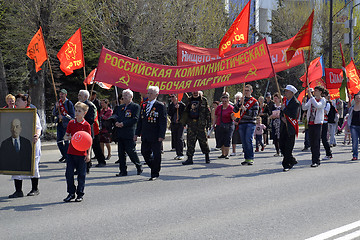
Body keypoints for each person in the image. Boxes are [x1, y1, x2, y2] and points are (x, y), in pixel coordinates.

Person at [5, 94, 42, 198]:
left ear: (25, 102)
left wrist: (37, 135)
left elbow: (38, 127)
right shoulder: (14, 113)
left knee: (32, 165)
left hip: (31, 142)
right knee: (16, 165)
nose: (16, 102)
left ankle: (35, 188)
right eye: (16, 100)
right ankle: (18, 191)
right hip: (17, 142)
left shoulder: (32, 113)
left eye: (18, 101)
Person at [135, 86, 167, 181]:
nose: (148, 95)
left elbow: (163, 122)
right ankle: (154, 166)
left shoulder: (160, 106)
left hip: (156, 134)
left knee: (156, 154)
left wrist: (161, 135)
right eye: (148, 93)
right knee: (144, 152)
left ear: (156, 95)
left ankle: (155, 173)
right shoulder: (144, 105)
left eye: (151, 93)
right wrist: (137, 133)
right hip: (145, 134)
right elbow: (140, 121)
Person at [63, 102, 91, 202]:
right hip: (71, 152)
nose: (77, 113)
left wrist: (88, 154)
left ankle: (80, 194)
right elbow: (65, 136)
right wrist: (69, 137)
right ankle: (71, 193)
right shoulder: (71, 123)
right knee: (69, 174)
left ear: (84, 113)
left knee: (81, 175)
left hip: (82, 153)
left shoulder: (86, 125)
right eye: (76, 110)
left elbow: (89, 141)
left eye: (79, 111)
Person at [113, 89, 142, 176]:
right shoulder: (120, 107)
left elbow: (135, 119)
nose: (124, 97)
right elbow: (115, 116)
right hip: (120, 133)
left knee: (131, 151)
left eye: (126, 96)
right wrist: (116, 122)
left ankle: (138, 165)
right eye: (123, 95)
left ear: (131, 97)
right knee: (121, 154)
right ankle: (123, 170)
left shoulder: (135, 107)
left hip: (129, 133)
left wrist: (123, 124)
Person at [78, 90, 106, 170]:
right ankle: (86, 165)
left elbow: (91, 119)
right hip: (81, 129)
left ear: (85, 97)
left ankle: (101, 161)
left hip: (90, 129)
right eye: (78, 95)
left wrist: (82, 119)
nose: (78, 97)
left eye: (80, 95)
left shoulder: (90, 105)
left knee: (95, 146)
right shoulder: (79, 105)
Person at [181, 91, 211, 165]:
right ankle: (190, 158)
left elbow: (207, 113)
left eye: (196, 91)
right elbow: (185, 112)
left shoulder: (203, 100)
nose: (195, 93)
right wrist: (183, 122)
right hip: (191, 124)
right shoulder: (189, 100)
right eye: (194, 91)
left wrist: (208, 124)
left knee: (203, 142)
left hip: (201, 124)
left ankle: (207, 156)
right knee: (190, 142)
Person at [233, 84, 259, 165]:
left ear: (251, 91)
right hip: (242, 123)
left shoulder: (254, 101)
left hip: (250, 123)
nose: (246, 92)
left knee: (248, 140)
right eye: (245, 90)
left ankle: (250, 158)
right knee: (243, 141)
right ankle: (246, 158)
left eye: (247, 90)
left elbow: (254, 114)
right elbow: (235, 110)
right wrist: (238, 104)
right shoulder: (241, 100)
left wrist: (246, 110)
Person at [302, 85, 326, 167]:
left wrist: (311, 97)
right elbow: (304, 107)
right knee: (312, 142)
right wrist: (304, 101)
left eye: (316, 91)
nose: (314, 92)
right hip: (310, 123)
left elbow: (318, 106)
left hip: (318, 123)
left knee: (316, 142)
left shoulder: (323, 100)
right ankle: (313, 159)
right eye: (314, 90)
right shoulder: (312, 100)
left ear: (320, 92)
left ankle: (316, 160)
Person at [279, 85, 300, 172]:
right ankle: (291, 159)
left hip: (291, 127)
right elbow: (281, 112)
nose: (285, 93)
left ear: (292, 93)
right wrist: (281, 117)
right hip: (283, 126)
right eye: (285, 91)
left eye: (287, 91)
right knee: (282, 146)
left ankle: (287, 164)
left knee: (288, 146)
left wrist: (284, 110)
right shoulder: (284, 100)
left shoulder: (296, 103)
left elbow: (293, 115)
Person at [52, 89, 75, 163]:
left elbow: (72, 116)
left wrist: (64, 117)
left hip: (66, 125)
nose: (61, 95)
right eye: (60, 94)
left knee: (66, 141)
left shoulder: (69, 103)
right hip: (59, 124)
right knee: (59, 141)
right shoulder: (59, 103)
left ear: (66, 95)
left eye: (62, 94)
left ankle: (67, 156)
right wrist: (56, 107)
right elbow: (54, 113)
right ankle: (64, 155)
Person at [214, 93, 234, 159]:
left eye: (226, 101)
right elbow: (216, 116)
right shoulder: (219, 107)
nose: (224, 102)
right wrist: (214, 124)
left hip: (229, 125)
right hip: (220, 125)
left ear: (228, 101)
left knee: (227, 139)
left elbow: (234, 117)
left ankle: (226, 154)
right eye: (223, 101)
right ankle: (223, 153)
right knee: (221, 139)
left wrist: (233, 115)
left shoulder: (231, 108)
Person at [167, 94, 186, 160]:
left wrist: (179, 108)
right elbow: (169, 113)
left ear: (176, 97)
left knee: (179, 138)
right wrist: (175, 109)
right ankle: (177, 153)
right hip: (174, 123)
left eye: (173, 96)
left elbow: (184, 113)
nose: (172, 98)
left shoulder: (182, 105)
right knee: (175, 138)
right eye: (171, 97)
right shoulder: (171, 105)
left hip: (180, 124)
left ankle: (181, 153)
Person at [320, 89, 333, 160]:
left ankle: (329, 153)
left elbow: (325, 112)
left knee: (324, 139)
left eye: (323, 96)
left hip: (324, 122)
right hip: (319, 122)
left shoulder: (327, 104)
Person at [347, 94, 360, 161]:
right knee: (354, 142)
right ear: (354, 99)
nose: (358, 100)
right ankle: (355, 155)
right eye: (357, 98)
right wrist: (348, 126)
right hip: (353, 126)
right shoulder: (352, 108)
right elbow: (349, 117)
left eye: (359, 98)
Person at [269, 93, 282, 157]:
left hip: (281, 123)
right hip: (274, 123)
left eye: (276, 98)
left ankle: (282, 151)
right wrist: (271, 116)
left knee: (281, 137)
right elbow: (269, 114)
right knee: (275, 138)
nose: (275, 99)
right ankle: (277, 151)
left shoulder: (282, 106)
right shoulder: (272, 106)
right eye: (274, 98)